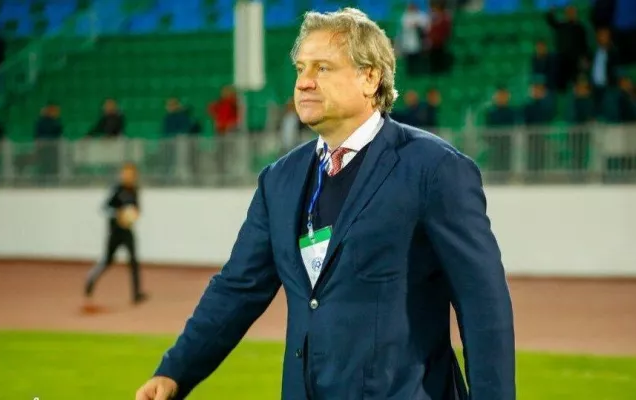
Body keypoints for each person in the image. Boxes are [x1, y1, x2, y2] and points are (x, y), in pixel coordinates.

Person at [136, 7, 515, 400]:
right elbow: (237, 289)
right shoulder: (279, 180)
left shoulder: (434, 169)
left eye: (322, 68)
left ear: (370, 78)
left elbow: (482, 302)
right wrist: (175, 371)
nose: (304, 82)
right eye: (301, 69)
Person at [84, 162, 148, 305]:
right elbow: (104, 208)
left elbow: (137, 209)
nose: (128, 176)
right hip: (115, 232)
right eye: (126, 173)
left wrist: (133, 215)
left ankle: (136, 294)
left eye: (131, 174)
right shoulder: (116, 190)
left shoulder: (134, 190)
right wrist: (118, 213)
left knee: (134, 261)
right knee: (108, 261)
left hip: (127, 231)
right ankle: (90, 281)